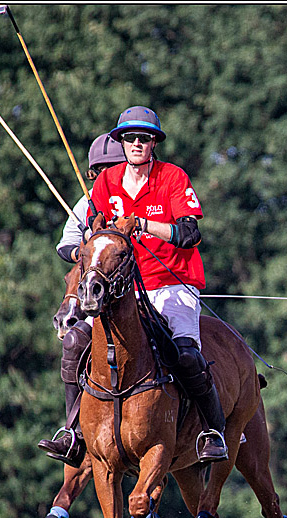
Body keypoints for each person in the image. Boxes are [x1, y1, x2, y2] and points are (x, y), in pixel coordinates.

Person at [83, 105, 228, 464]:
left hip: (172, 283)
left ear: (153, 144)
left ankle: (214, 432)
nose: (136, 143)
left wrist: (143, 225)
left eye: (143, 138)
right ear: (120, 141)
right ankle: (73, 431)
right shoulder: (107, 182)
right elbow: (92, 228)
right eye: (129, 137)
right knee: (77, 345)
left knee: (187, 356)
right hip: (124, 289)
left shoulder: (172, 178)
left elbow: (189, 233)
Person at [37, 132, 127, 467]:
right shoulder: (88, 201)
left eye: (112, 167)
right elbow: (65, 245)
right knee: (74, 340)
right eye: (98, 170)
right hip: (102, 294)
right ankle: (73, 430)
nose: (104, 175)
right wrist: (86, 253)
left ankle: (210, 425)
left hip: (143, 289)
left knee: (180, 341)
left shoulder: (137, 198)